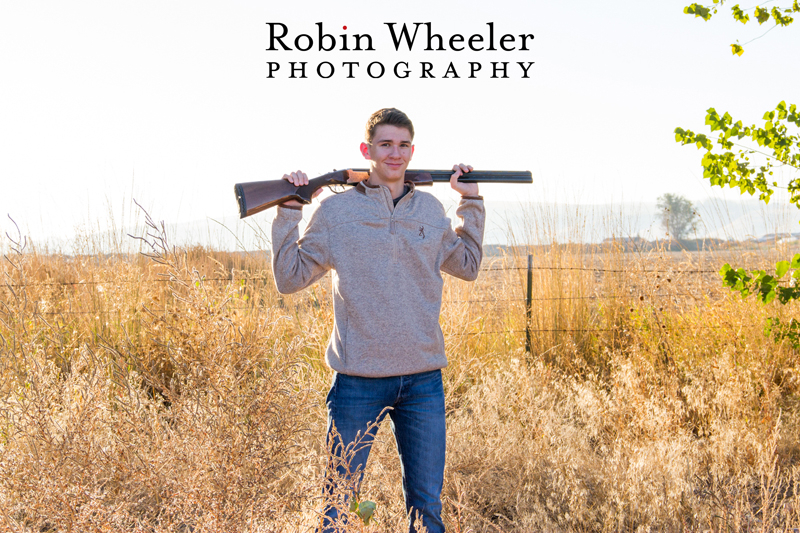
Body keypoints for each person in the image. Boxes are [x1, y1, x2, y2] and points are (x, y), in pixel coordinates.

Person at [271, 108, 485, 533]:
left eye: (404, 145)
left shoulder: (429, 209)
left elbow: (468, 265)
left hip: (423, 379)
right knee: (337, 509)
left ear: (412, 150)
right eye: (385, 144)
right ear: (366, 150)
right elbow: (289, 278)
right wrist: (289, 212)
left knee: (427, 511)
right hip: (357, 380)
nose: (395, 153)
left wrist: (471, 202)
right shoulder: (334, 212)